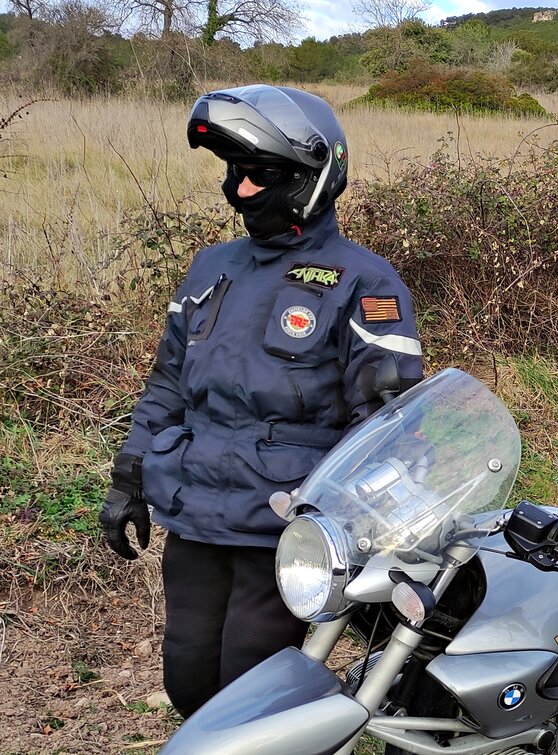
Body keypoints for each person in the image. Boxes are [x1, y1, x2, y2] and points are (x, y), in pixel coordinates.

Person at [99, 84, 423, 717]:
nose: (240, 190)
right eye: (234, 173)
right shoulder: (211, 268)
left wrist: (361, 528)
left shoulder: (365, 280)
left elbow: (387, 422)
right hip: (196, 512)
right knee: (189, 681)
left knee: (248, 693)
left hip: (285, 529)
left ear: (313, 177)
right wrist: (128, 476)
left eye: (260, 175)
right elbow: (167, 383)